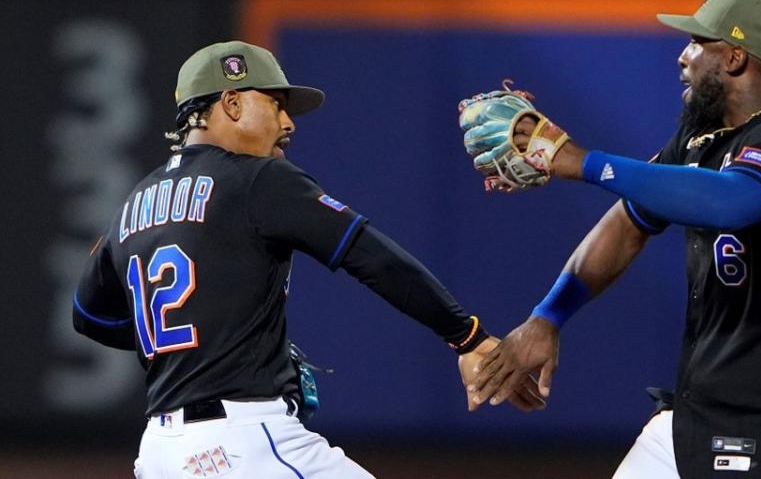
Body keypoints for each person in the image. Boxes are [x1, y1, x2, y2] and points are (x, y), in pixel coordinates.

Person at [72, 40, 544, 479]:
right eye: (275, 104)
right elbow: (375, 259)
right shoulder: (259, 180)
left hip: (159, 454)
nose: (288, 122)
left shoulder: (133, 203)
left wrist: (205, 343)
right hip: (243, 444)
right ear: (232, 103)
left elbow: (88, 315)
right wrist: (467, 336)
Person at [465, 0, 761, 477]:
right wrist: (549, 316)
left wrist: (577, 161)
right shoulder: (699, 138)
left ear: (734, 58)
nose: (682, 57)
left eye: (696, 43)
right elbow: (628, 223)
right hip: (694, 419)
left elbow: (730, 200)